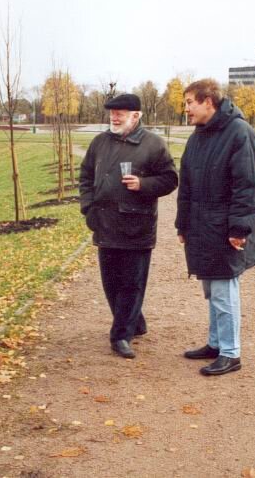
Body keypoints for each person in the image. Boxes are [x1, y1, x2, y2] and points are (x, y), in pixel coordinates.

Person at [175, 79, 255, 376]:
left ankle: (230, 352)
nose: (186, 108)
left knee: (225, 290)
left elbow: (248, 187)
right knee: (212, 289)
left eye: (190, 102)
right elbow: (186, 183)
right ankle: (215, 344)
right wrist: (183, 223)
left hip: (226, 230)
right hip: (202, 229)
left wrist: (239, 229)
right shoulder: (198, 137)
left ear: (208, 102)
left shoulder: (240, 133)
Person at [79, 93, 178, 359]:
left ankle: (121, 335)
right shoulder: (99, 143)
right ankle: (135, 322)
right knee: (111, 282)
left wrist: (143, 185)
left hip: (137, 226)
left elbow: (170, 179)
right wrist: (88, 208)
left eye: (120, 112)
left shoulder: (153, 144)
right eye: (112, 112)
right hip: (104, 224)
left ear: (136, 116)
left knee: (132, 283)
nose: (114, 117)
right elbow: (86, 176)